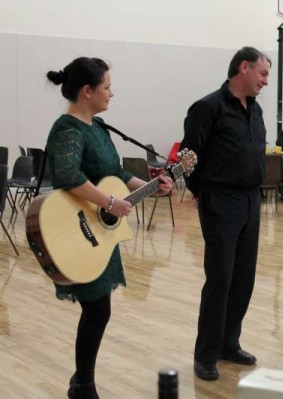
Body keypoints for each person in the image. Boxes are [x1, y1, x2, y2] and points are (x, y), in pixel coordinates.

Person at [45, 57, 173, 398]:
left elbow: (114, 171)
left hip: (100, 233)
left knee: (99, 309)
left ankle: (81, 383)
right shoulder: (68, 129)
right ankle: (83, 385)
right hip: (77, 231)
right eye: (107, 87)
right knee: (98, 309)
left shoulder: (98, 127)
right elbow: (70, 176)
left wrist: (148, 184)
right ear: (87, 91)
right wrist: (109, 203)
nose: (112, 94)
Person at [181, 46, 271, 381]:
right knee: (220, 278)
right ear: (243, 68)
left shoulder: (256, 110)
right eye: (262, 73)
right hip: (221, 200)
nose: (265, 81)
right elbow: (189, 157)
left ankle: (228, 344)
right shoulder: (208, 108)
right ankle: (205, 354)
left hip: (251, 200)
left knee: (243, 278)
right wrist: (202, 193)